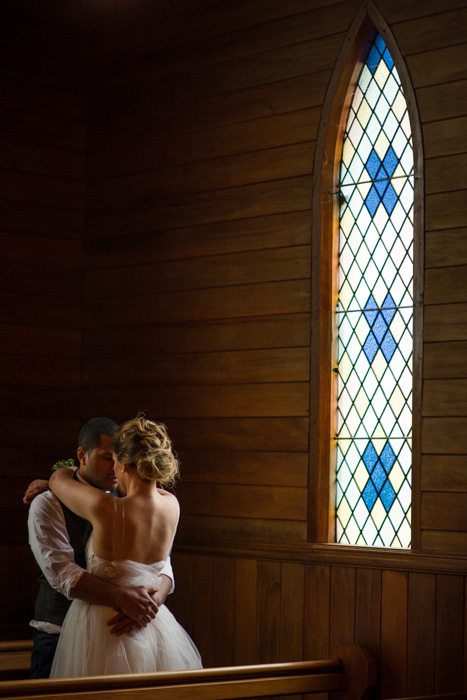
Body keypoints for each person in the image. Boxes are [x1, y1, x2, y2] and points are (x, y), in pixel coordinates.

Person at [48, 415, 202, 677]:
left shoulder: (105, 508)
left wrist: (54, 476)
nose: (114, 469)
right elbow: (153, 492)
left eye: (115, 461)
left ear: (126, 465)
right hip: (151, 625)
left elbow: (58, 481)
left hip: (101, 628)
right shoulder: (172, 506)